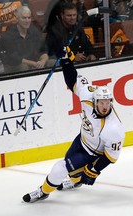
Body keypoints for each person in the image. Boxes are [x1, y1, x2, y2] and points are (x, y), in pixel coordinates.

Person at [22, 46, 125, 203]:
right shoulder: (87, 95)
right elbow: (72, 81)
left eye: (107, 103)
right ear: (94, 101)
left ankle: (43, 192)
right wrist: (66, 61)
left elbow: (111, 156)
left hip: (93, 153)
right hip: (81, 139)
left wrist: (94, 170)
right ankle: (75, 181)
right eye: (102, 102)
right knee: (72, 172)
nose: (105, 106)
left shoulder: (114, 129)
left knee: (60, 167)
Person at [0, 5, 49, 73]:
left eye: (29, 18)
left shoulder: (35, 31)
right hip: (14, 66)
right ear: (17, 19)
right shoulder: (9, 35)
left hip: (33, 63)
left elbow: (43, 51)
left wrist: (42, 61)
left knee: (53, 63)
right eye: (24, 18)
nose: (27, 21)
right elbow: (15, 58)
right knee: (23, 67)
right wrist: (34, 64)